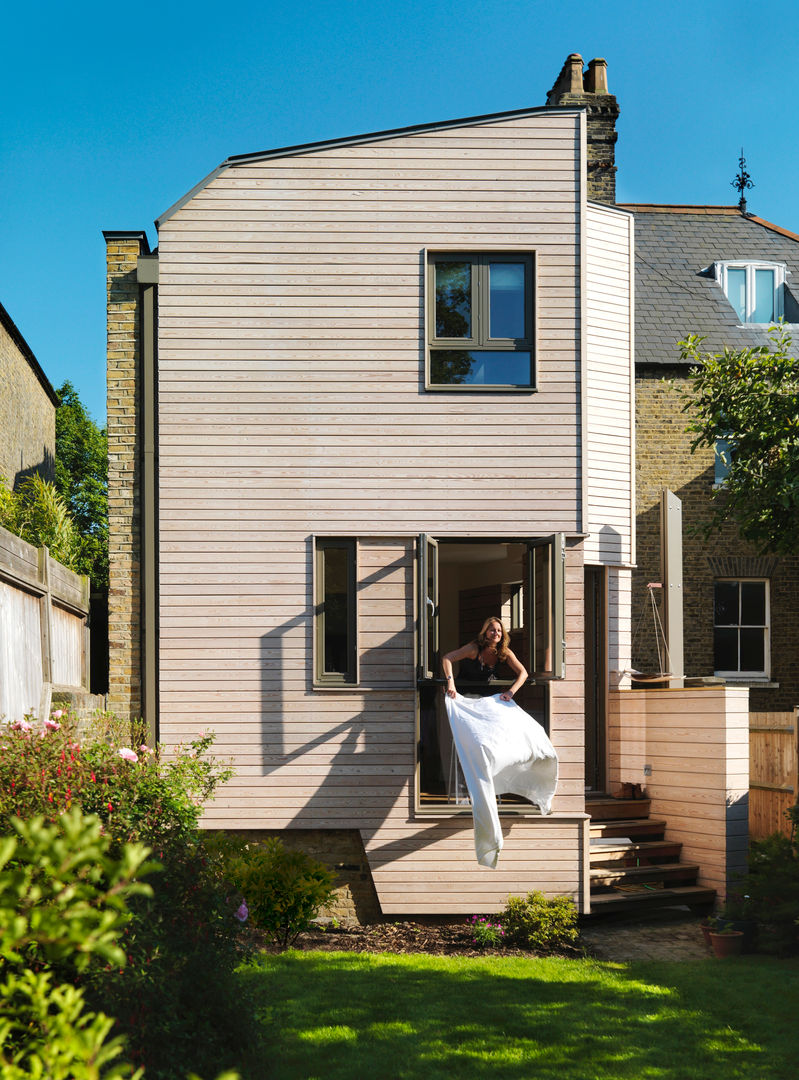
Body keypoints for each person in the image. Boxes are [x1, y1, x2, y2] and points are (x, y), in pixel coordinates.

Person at [442, 616, 528, 702]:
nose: (496, 633)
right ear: (485, 632)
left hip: (489, 698)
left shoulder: (504, 651)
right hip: (465, 697)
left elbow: (523, 673)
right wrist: (451, 683)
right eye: (492, 630)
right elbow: (447, 658)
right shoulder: (473, 648)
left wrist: (510, 692)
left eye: (499, 630)